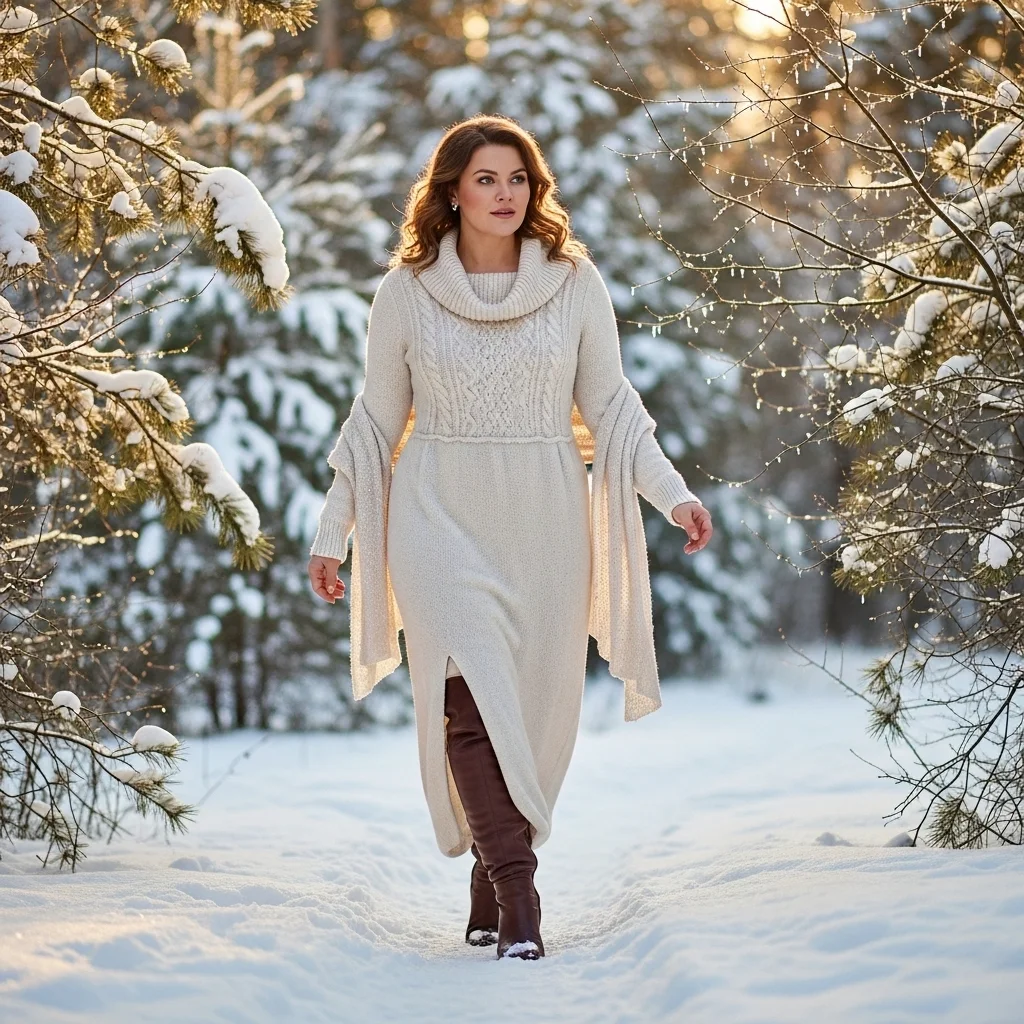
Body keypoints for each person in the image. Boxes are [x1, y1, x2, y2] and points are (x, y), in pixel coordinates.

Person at [306, 115, 713, 961]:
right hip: (437, 513)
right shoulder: (405, 293)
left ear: (535, 191)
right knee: (464, 696)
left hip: (546, 519)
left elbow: (611, 409)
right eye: (486, 178)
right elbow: (376, 425)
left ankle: (488, 877)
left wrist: (673, 498)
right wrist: (331, 534)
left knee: (528, 714)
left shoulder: (574, 284)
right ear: (451, 189)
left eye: (517, 179)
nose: (504, 194)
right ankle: (520, 898)